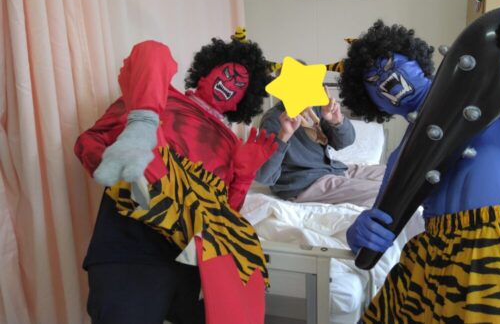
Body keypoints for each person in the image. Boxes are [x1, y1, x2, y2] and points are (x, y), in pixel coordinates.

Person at [339, 0, 500, 323]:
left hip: (499, 248)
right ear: (376, 107)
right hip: (431, 255)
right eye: (372, 82)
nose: (385, 78)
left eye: (390, 64)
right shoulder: (399, 158)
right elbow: (378, 233)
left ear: (418, 61)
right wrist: (358, 233)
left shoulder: (487, 92)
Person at [75, 37, 275, 324]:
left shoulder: (232, 143)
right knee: (155, 52)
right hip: (133, 246)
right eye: (228, 73)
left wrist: (243, 176)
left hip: (190, 261)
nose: (230, 83)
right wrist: (119, 174)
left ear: (242, 100)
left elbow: (221, 216)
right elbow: (89, 142)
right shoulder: (160, 97)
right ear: (205, 72)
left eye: (240, 84)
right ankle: (143, 129)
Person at [255, 84, 390, 207]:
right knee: (381, 192)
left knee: (392, 172)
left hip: (332, 169)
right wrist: (284, 135)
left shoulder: (315, 108)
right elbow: (264, 176)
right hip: (305, 183)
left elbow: (344, 142)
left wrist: (336, 121)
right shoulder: (273, 119)